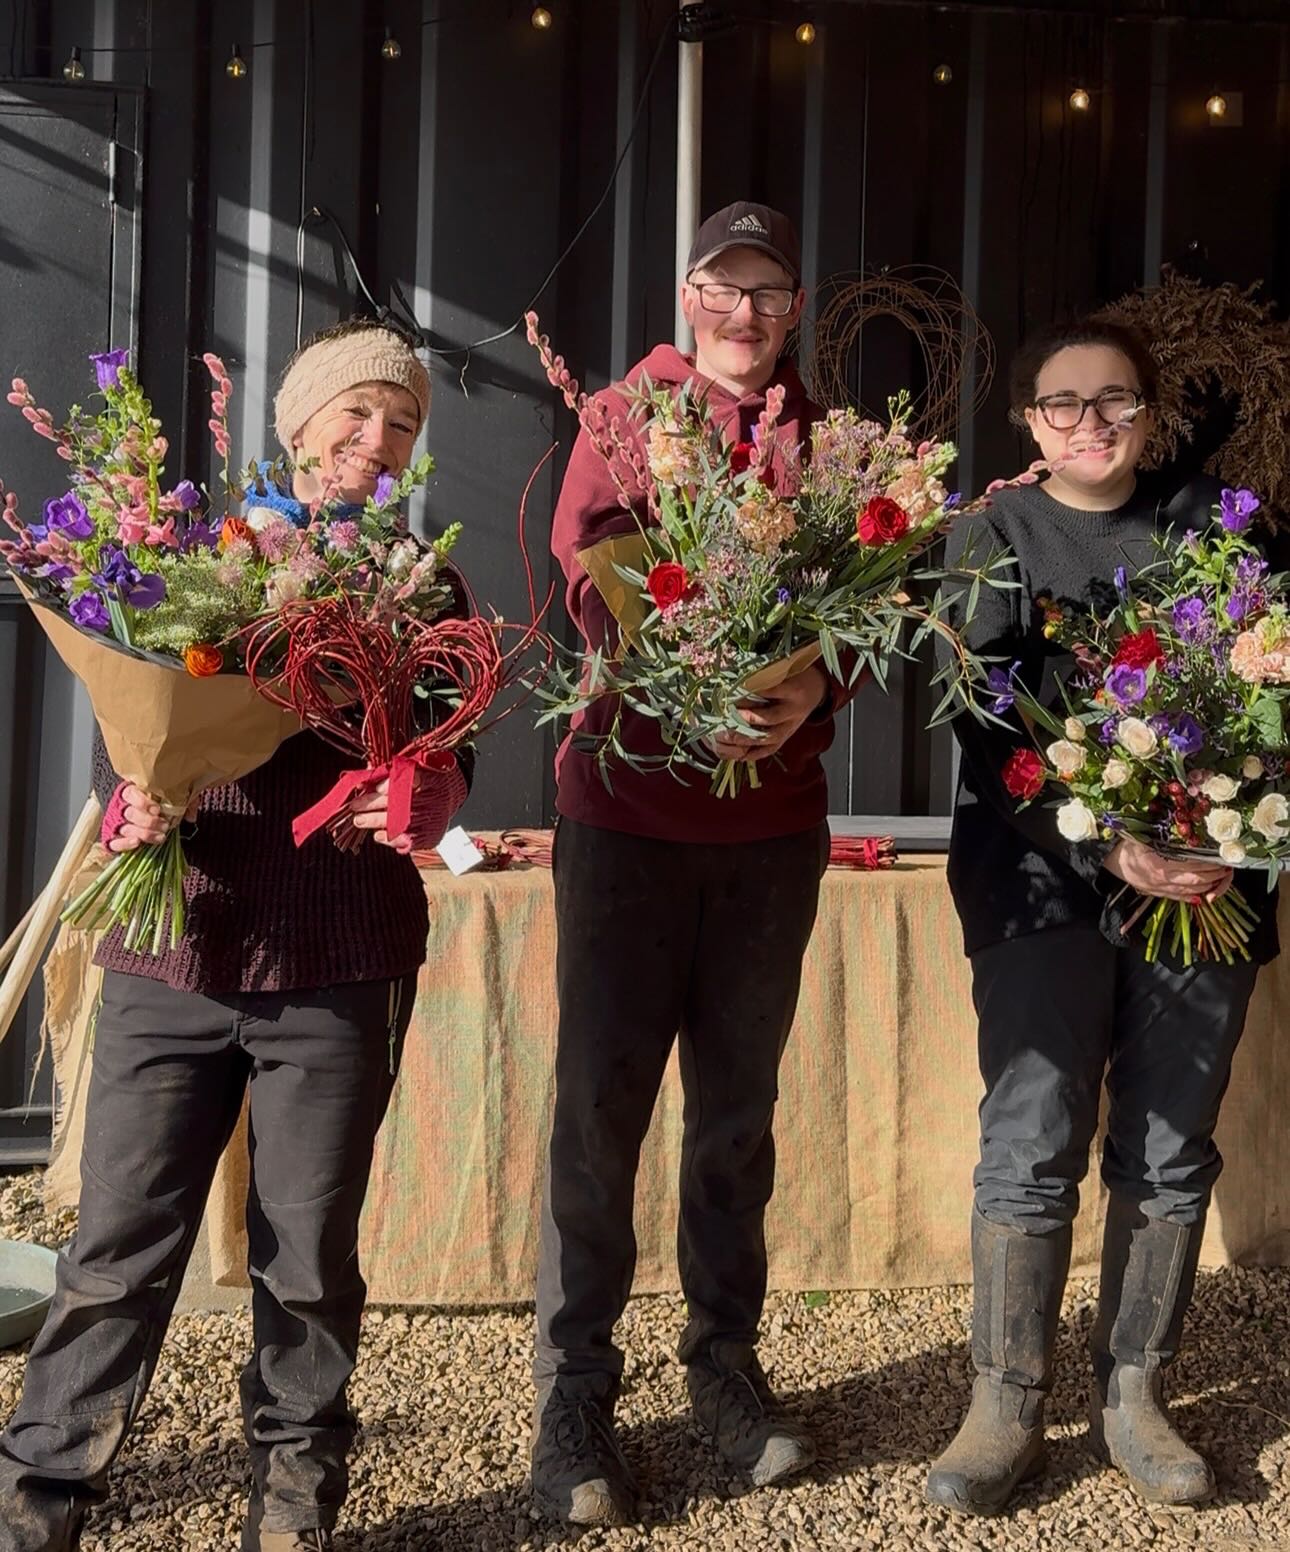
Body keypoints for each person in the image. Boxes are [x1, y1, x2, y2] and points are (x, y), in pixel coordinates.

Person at [0, 321, 469, 1552]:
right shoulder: (193, 551)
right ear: (298, 425)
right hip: (179, 945)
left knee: (306, 1255)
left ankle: (293, 1504)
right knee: (116, 1243)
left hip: (338, 951)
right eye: (356, 416)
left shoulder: (419, 579)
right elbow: (137, 717)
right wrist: (132, 792)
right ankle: (40, 1496)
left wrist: (428, 789)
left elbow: (450, 743)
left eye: (403, 425)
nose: (376, 443)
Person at [531, 202, 854, 1526]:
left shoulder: (826, 445)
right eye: (723, 287)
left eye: (768, 290)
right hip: (625, 825)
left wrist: (808, 693)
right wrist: (664, 673)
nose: (744, 311)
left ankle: (724, 1368)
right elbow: (573, 584)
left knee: (735, 1119)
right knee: (599, 1118)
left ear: (790, 308)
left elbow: (851, 604)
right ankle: (574, 1396)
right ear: (686, 295)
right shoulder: (622, 420)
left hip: (768, 835)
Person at [925, 318, 1279, 1516]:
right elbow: (989, 720)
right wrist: (1103, 833)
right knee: (1032, 1135)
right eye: (1064, 403)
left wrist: (1227, 829)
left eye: (1116, 401)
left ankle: (1136, 1390)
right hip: (1042, 884)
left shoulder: (1218, 530)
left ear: (1150, 412)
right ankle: (1006, 1397)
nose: (1092, 423)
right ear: (1027, 419)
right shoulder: (994, 534)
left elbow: (1263, 687)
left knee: (1171, 1141)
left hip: (1200, 880)